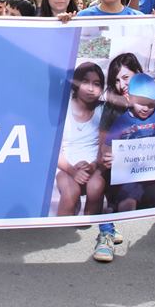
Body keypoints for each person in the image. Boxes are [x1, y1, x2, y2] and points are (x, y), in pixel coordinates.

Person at [76, 0, 140, 262]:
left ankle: (111, 220)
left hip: (128, 108)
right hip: (97, 107)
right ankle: (106, 227)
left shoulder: (141, 18)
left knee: (123, 167)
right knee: (104, 164)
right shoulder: (83, 18)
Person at [102, 73, 155, 215]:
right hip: (131, 172)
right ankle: (127, 224)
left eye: (151, 104)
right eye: (141, 102)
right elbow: (107, 145)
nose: (146, 108)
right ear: (129, 98)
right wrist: (108, 155)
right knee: (127, 199)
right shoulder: (122, 122)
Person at [56, 62, 106, 217]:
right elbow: (53, 150)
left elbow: (104, 146)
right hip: (66, 166)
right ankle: (58, 234)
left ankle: (89, 229)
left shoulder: (103, 110)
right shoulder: (62, 109)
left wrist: (92, 166)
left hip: (95, 165)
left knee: (96, 186)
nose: (91, 89)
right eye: (85, 82)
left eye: (96, 84)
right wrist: (72, 170)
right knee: (71, 192)